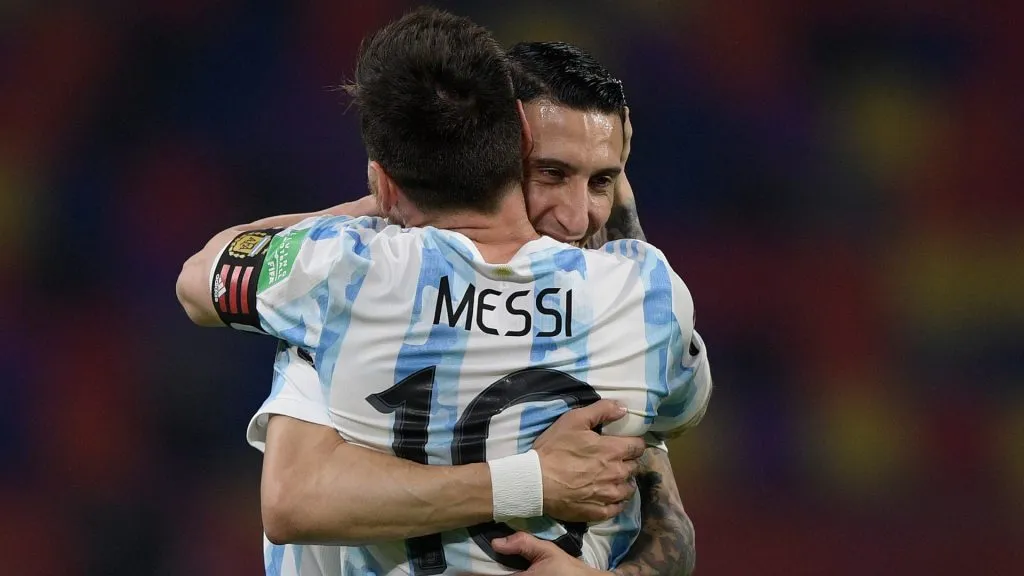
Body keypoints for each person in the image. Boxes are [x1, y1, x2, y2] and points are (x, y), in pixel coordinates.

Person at [176, 9, 710, 576]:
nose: (578, 218)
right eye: (551, 174)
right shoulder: (646, 299)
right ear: (510, 142)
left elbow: (202, 275)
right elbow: (297, 503)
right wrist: (531, 481)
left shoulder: (337, 274)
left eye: (603, 180)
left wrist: (381, 205)